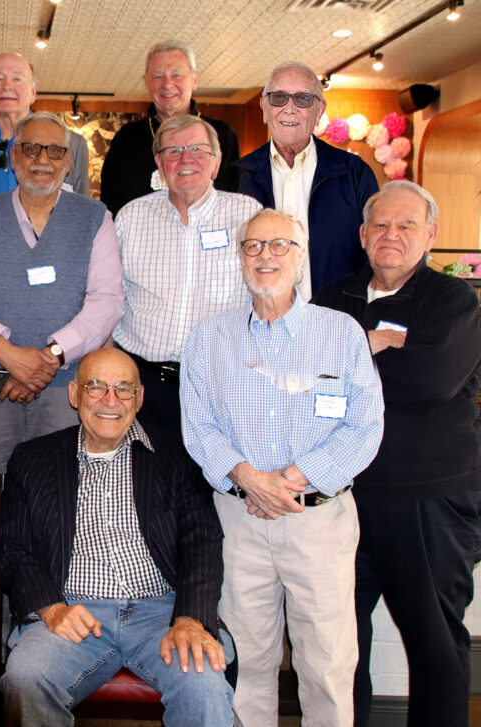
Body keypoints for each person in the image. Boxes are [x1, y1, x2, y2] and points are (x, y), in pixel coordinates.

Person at [181, 208, 385, 726]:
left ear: (301, 258)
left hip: (318, 520)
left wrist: (289, 482)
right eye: (253, 246)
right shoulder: (208, 338)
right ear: (240, 258)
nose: (265, 256)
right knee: (245, 662)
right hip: (239, 521)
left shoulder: (341, 334)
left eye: (279, 246)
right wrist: (250, 480)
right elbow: (199, 427)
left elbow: (365, 425)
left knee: (327, 664)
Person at [313, 181, 481, 727]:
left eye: (407, 225)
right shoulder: (332, 297)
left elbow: (429, 379)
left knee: (434, 641)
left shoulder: (454, 301)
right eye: (381, 225)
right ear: (362, 236)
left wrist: (350, 355)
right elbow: (304, 381)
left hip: (427, 501)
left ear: (430, 234)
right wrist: (380, 343)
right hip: (342, 499)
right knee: (342, 644)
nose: (392, 235)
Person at [0, 348, 233, 726]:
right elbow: (13, 549)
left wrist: (190, 617)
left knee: (202, 684)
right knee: (26, 677)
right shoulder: (33, 459)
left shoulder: (176, 457)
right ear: (74, 394)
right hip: (74, 611)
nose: (110, 400)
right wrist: (51, 608)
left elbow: (201, 542)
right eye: (96, 386)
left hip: (163, 612)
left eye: (124, 389)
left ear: (139, 399)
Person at [0, 112, 123, 474]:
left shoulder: (95, 218)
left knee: (58, 497)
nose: (42, 160)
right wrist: (9, 355)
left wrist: (51, 356)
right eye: (31, 148)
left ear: (68, 162)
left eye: (54, 151)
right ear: (14, 156)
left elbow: (107, 300)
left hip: (65, 387)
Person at [113, 114, 260, 434]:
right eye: (173, 151)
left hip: (220, 382)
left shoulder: (249, 216)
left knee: (209, 480)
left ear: (217, 162)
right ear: (159, 163)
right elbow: (110, 297)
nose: (185, 159)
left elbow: (269, 298)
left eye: (197, 149)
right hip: (142, 383)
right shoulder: (131, 217)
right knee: (145, 479)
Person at [235, 61, 379, 298]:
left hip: (334, 323)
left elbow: (373, 254)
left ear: (319, 109)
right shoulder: (237, 175)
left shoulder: (355, 174)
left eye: (302, 99)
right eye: (278, 97)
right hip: (258, 323)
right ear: (264, 106)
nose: (289, 108)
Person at [100, 40, 241, 216]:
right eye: (158, 76)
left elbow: (230, 196)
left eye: (177, 75)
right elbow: (111, 204)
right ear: (146, 83)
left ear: (194, 80)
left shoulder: (221, 134)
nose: (167, 84)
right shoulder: (127, 138)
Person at [0, 52, 89, 215]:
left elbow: (81, 214)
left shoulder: (72, 145)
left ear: (34, 91)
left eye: (17, 78)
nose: (7, 86)